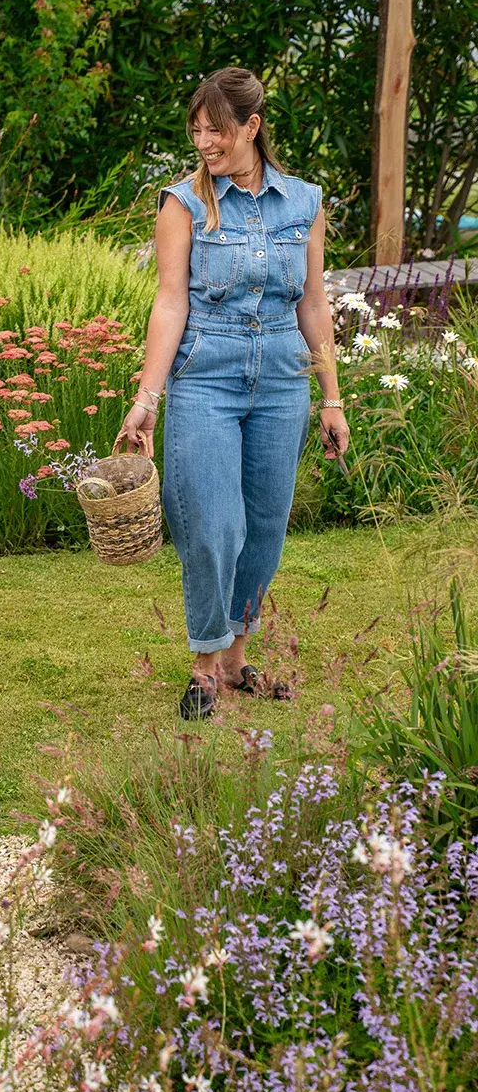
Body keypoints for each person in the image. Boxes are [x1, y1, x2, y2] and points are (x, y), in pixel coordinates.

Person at [116, 68, 349, 720]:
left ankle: (238, 658)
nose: (203, 143)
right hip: (206, 374)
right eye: (195, 130)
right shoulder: (182, 202)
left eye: (215, 130)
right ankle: (203, 665)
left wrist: (331, 398)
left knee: (265, 528)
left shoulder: (302, 203)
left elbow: (312, 302)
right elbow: (169, 303)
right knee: (213, 524)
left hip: (281, 376)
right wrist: (147, 397)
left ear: (251, 126)